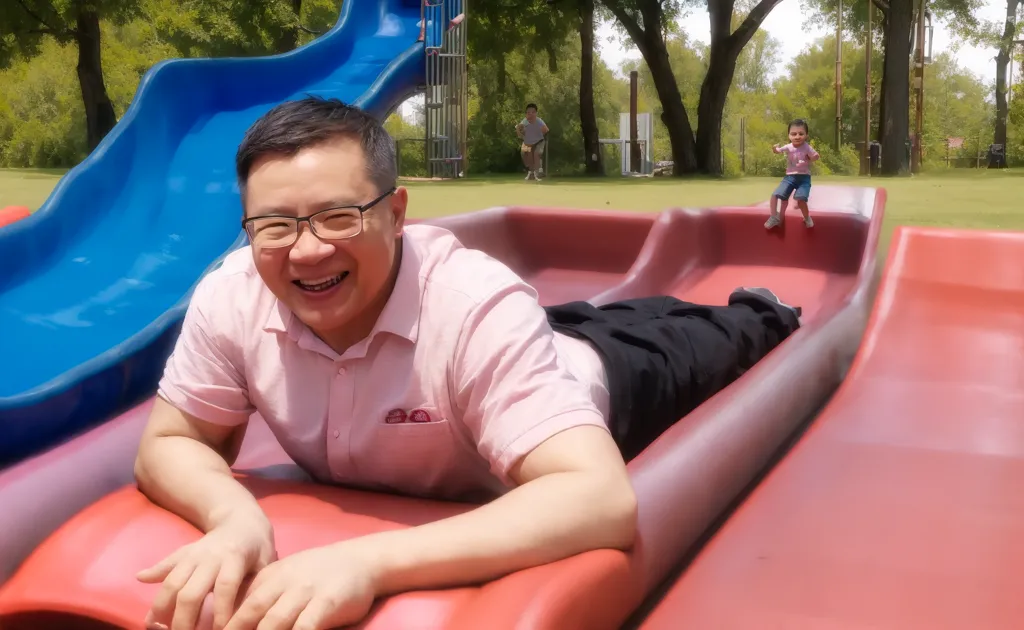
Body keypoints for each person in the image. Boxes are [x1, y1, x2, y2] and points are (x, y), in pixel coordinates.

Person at [133, 96, 802, 630]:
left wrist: (364, 564)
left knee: (711, 335)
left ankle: (759, 308)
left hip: (609, 381)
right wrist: (234, 518)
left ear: (396, 213)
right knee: (578, 322)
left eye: (338, 217)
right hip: (529, 352)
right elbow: (173, 440)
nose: (305, 252)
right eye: (275, 225)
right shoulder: (234, 292)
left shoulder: (472, 301)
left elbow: (597, 498)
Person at [764, 119, 820, 230]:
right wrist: (775, 149)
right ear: (789, 135)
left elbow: (816, 156)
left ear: (806, 135)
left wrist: (812, 158)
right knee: (775, 195)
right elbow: (779, 151)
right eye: (793, 134)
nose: (797, 136)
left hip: (804, 178)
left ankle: (807, 217)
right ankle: (774, 216)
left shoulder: (807, 147)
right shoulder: (788, 147)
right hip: (790, 177)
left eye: (801, 134)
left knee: (801, 200)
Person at [515, 103, 548, 180]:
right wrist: (519, 130)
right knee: (524, 153)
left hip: (539, 141)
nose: (530, 114)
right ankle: (531, 172)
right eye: (528, 112)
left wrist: (537, 134)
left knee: (537, 153)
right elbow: (519, 134)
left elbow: (546, 130)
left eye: (533, 112)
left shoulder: (539, 121)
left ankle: (538, 171)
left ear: (536, 113)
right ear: (526, 113)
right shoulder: (524, 121)